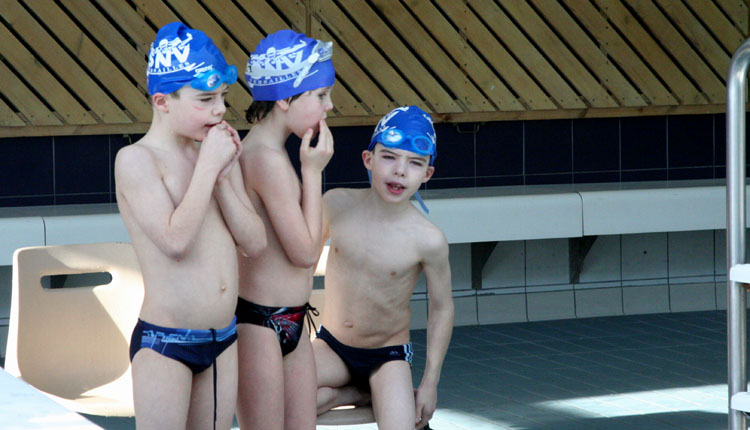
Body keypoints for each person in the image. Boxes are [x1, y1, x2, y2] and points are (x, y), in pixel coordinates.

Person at [114, 22, 265, 430]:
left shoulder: (214, 154)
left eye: (222, 97)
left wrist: (223, 179)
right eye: (205, 99)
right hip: (166, 343)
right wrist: (209, 168)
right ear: (163, 101)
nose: (220, 110)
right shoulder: (136, 160)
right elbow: (175, 241)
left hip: (222, 339)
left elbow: (255, 243)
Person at [313, 106, 454, 430]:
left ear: (427, 174)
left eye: (415, 163)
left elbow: (442, 308)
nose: (400, 171)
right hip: (331, 345)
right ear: (368, 159)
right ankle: (356, 394)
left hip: (387, 355)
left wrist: (430, 383)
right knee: (280, 401)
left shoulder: (428, 239)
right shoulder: (336, 204)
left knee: (409, 422)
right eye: (389, 157)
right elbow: (303, 260)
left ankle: (384, 397)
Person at [235, 29, 335, 430]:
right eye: (320, 95)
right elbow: (306, 253)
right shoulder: (266, 159)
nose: (329, 106)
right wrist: (313, 172)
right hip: (260, 322)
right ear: (283, 98)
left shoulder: (270, 152)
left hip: (292, 317)